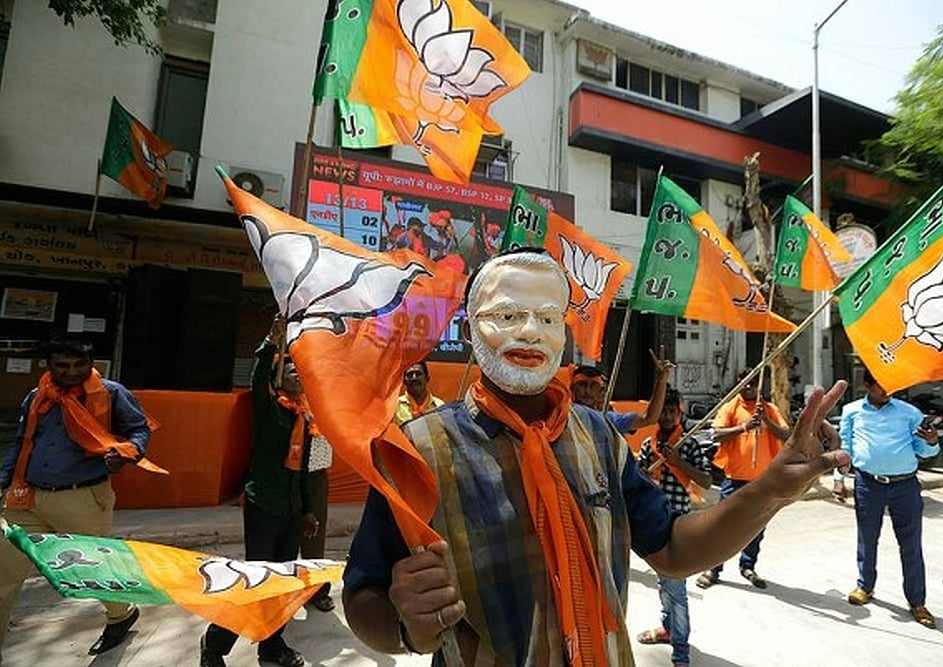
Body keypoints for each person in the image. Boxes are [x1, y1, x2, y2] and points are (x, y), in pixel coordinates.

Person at [341, 248, 850, 664]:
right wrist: (405, 625)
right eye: (508, 315)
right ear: (472, 327)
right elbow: (363, 595)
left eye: (547, 317)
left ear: (564, 332)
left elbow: (673, 550)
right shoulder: (415, 450)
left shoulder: (601, 438)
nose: (529, 331)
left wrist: (771, 491)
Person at [0, 339, 151, 656]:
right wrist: (3, 481)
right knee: (4, 574)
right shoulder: (36, 397)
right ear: (48, 365)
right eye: (62, 365)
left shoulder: (110, 394)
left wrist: (125, 454)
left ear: (90, 363)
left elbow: (139, 430)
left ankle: (121, 615)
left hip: (82, 498)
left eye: (79, 365)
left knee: (94, 570)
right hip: (26, 498)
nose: (71, 372)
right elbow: (20, 442)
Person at [200, 317, 318, 667]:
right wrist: (271, 341)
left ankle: (271, 647)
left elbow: (304, 474)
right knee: (256, 581)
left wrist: (307, 510)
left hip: (292, 510)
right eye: (291, 369)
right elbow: (257, 375)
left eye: (302, 370)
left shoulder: (305, 419)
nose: (297, 374)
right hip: (263, 506)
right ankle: (214, 644)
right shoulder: (270, 410)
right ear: (279, 377)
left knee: (281, 582)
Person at [839, 368, 940, 628]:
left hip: (904, 486)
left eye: (889, 386)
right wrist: (839, 479)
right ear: (866, 386)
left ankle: (917, 601)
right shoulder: (852, 411)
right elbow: (845, 447)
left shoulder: (909, 413)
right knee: (867, 537)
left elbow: (925, 451)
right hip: (867, 484)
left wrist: (931, 441)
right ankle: (865, 586)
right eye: (880, 386)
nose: (886, 391)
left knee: (911, 544)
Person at [635, 390, 712, 667]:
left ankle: (681, 652)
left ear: (679, 414)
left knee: (676, 588)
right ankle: (668, 629)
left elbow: (705, 479)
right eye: (663, 411)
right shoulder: (648, 443)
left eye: (672, 412)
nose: (667, 416)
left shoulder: (689, 445)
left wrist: (678, 463)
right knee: (663, 582)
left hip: (678, 524)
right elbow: (638, 477)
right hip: (652, 522)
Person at [696, 370, 791, 590]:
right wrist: (744, 427)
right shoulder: (731, 407)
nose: (749, 388)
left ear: (760, 386)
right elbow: (716, 434)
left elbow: (787, 436)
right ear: (739, 384)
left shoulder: (770, 409)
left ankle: (748, 565)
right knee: (723, 525)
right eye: (745, 383)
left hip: (762, 482)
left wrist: (767, 422)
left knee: (756, 526)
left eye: (754, 384)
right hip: (734, 479)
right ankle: (713, 567)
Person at [570, 352, 674, 434]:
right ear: (572, 388)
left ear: (601, 391)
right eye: (582, 385)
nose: (587, 391)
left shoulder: (608, 420)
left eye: (593, 386)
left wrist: (661, 381)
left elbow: (649, 418)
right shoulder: (564, 417)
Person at [300, 429, 336, 611]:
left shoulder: (325, 400)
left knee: (314, 532)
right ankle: (278, 592)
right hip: (285, 467)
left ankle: (316, 589)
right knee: (282, 536)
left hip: (316, 467)